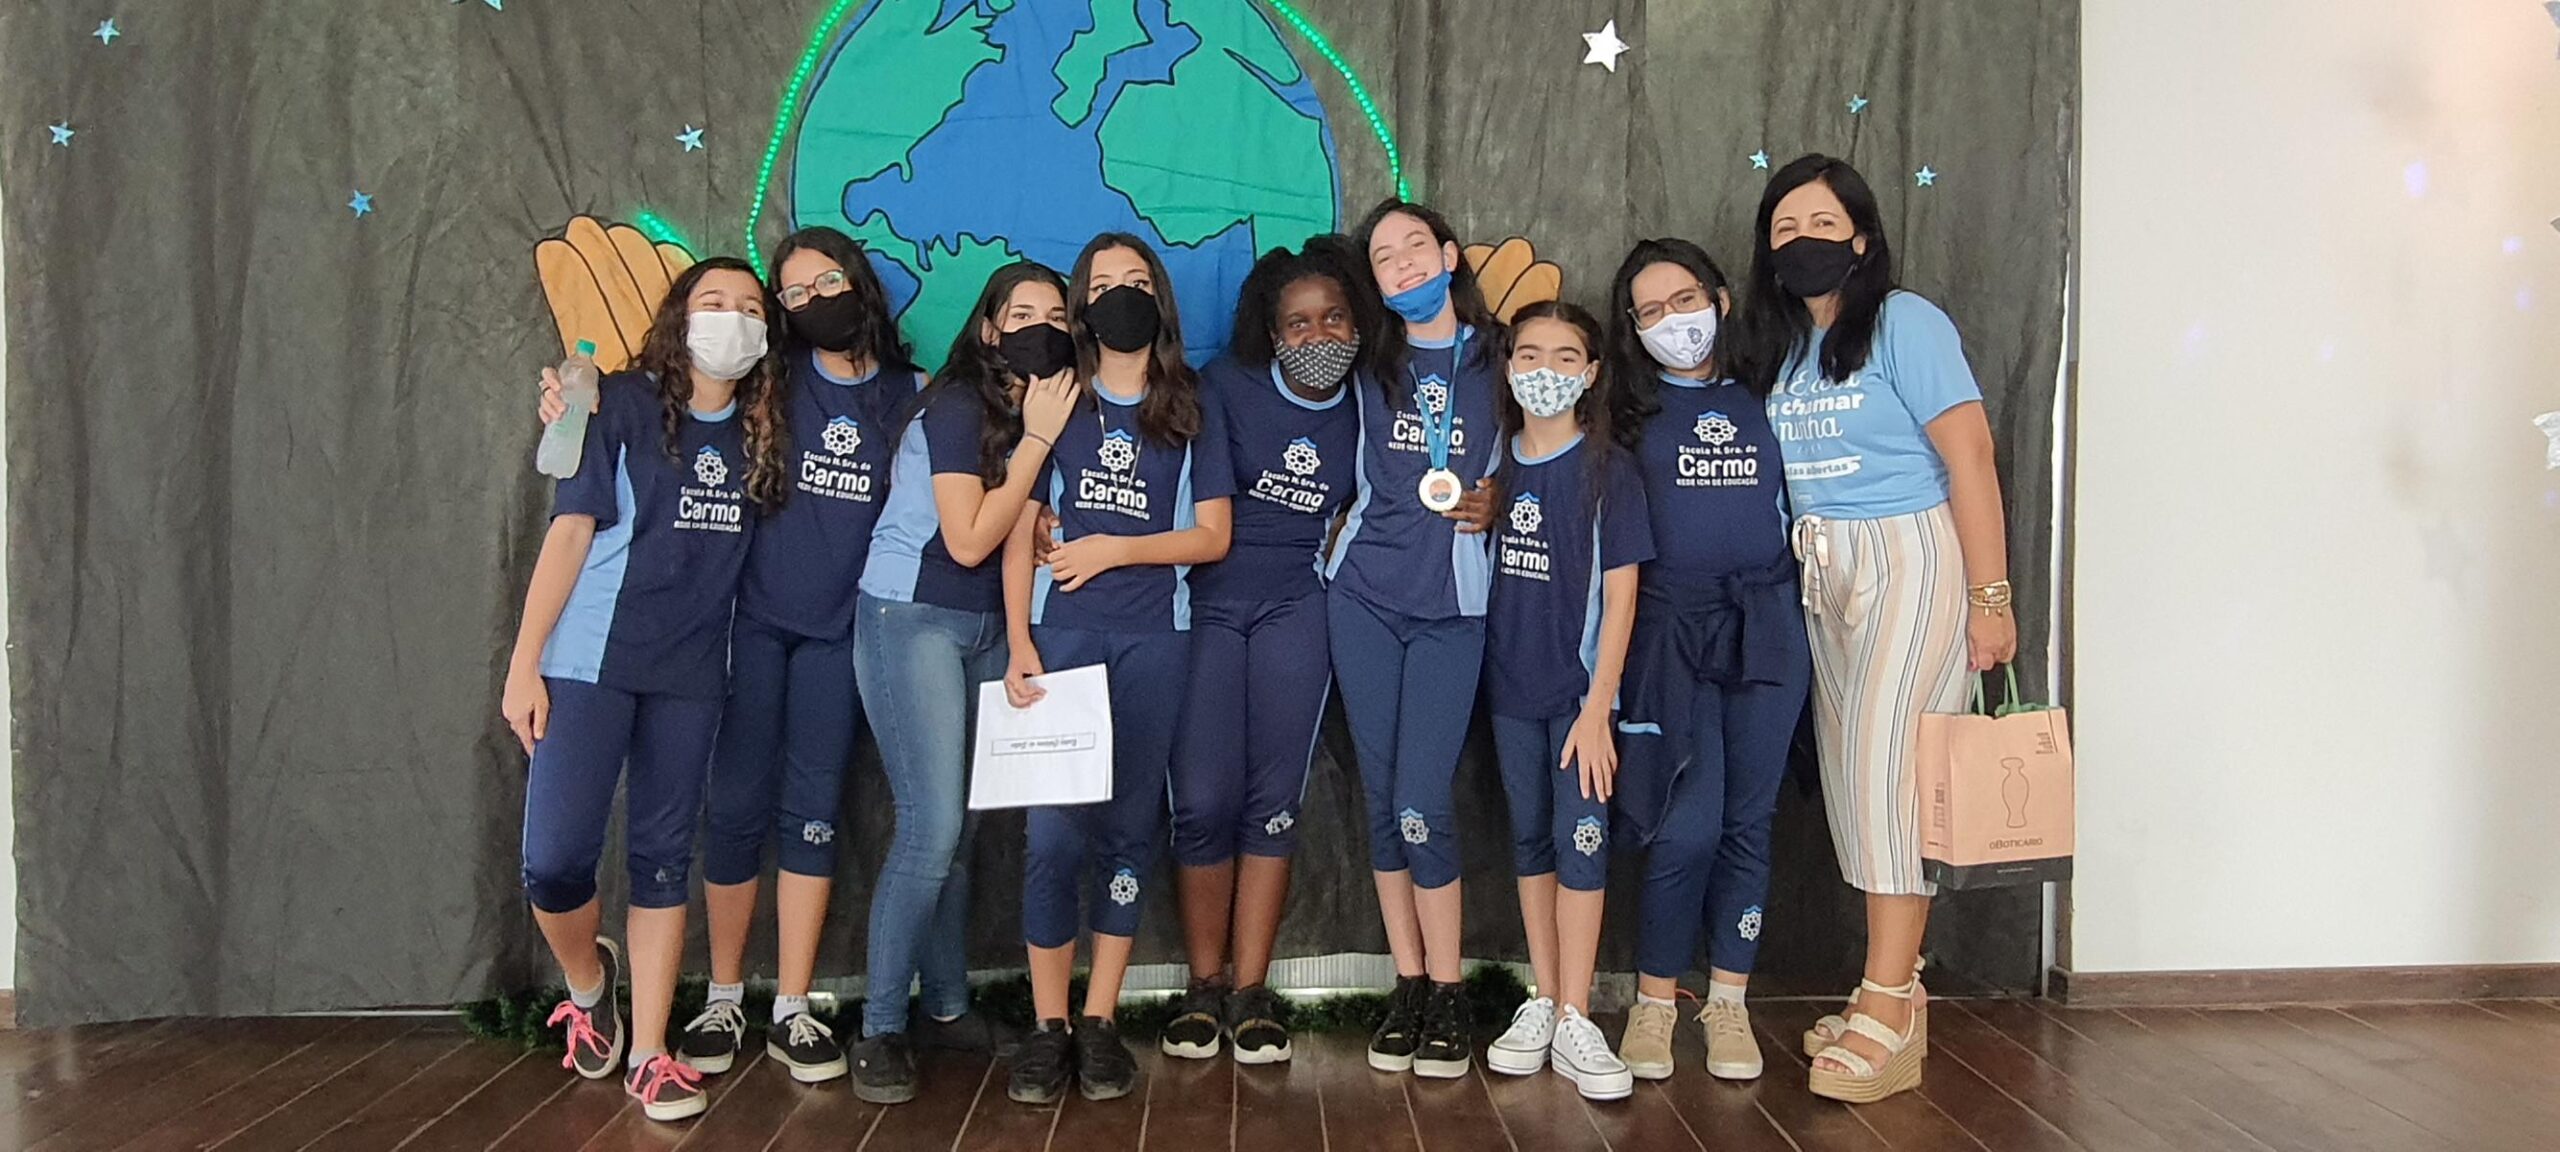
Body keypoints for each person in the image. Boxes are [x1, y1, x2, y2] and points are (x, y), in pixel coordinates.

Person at [537, 229, 920, 1084]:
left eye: (829, 282)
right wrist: (572, 397)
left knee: (813, 811)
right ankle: (722, 996)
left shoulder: (912, 395)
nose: (815, 301)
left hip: (840, 633)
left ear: (859, 282)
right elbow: (661, 397)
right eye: (793, 293)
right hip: (745, 627)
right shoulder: (769, 382)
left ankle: (793, 1006)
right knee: (735, 809)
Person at [1737, 154, 2016, 1104]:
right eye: (1783, 229)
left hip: (1911, 556)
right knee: (1855, 782)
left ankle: (1891, 1002)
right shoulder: (1787, 348)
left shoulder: (1905, 323)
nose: (1801, 241)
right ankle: (1890, 987)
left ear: (1860, 238)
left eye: (1821, 224)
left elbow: (1970, 454)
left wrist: (1991, 597)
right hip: (1825, 567)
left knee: (1888, 773)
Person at [500, 257, 786, 1123]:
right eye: (713, 302)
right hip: (589, 664)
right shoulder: (619, 405)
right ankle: (591, 988)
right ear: (679, 318)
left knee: (663, 861)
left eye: (750, 308)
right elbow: (569, 531)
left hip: (691, 678)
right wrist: (524, 662)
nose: (732, 319)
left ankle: (651, 1054)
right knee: (554, 862)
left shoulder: (768, 427)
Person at [1001, 234, 1233, 1104]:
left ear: (1158, 299)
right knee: (1054, 839)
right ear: (1082, 305)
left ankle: (1099, 1019)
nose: (1121, 296)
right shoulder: (1055, 397)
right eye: (1103, 285)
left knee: (1130, 831)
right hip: (1061, 638)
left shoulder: (1188, 406)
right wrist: (1018, 640)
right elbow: (1019, 528)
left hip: (1154, 640)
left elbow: (1212, 536)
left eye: (1137, 282)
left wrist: (1113, 549)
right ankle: (1048, 1024)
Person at [845, 262, 1081, 1103]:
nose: (1042, 326)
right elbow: (969, 538)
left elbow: (1017, 530)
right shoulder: (955, 406)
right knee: (932, 826)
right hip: (910, 616)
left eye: (1057, 314)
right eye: (1022, 313)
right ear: (988, 329)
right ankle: (879, 1028)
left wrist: (1019, 633)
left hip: (982, 628)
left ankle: (946, 1008)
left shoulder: (1036, 409)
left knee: (965, 829)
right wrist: (1038, 445)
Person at [1154, 237, 1372, 1065]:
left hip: (1297, 607)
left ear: (1358, 323)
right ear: (1271, 333)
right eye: (1299, 323)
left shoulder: (1369, 403)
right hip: (1208, 603)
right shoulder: (1224, 388)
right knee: (1202, 798)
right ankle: (1203, 987)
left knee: (1274, 799)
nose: (1318, 336)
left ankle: (1251, 992)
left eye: (1334, 318)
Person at [1603, 239, 1810, 1084]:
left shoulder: (1776, 392)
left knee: (1748, 824)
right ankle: (1655, 1004)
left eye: (1684, 300)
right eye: (1650, 311)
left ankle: (1729, 1002)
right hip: (1667, 635)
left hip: (1767, 625)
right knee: (1684, 825)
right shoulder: (1623, 413)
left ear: (1721, 299)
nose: (1672, 321)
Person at [1330, 198, 1501, 1079]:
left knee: (1420, 800)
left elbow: (1553, 454)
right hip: (1363, 596)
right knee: (1380, 798)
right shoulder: (1368, 362)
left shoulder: (1505, 357)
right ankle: (1408, 984)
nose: (1401, 263)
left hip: (1453, 604)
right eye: (1384, 256)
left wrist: (1504, 494)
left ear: (1449, 254)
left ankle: (1450, 990)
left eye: (1414, 247)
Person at [1476, 302, 1648, 1102]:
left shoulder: (1610, 470)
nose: (1545, 370)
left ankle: (1579, 1013)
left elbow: (1622, 597)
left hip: (1579, 700)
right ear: (1508, 366)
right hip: (1509, 693)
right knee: (1532, 841)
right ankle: (1543, 999)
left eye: (1565, 356)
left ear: (1592, 372)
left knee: (1583, 841)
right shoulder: (1492, 464)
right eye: (1529, 354)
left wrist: (1598, 705)